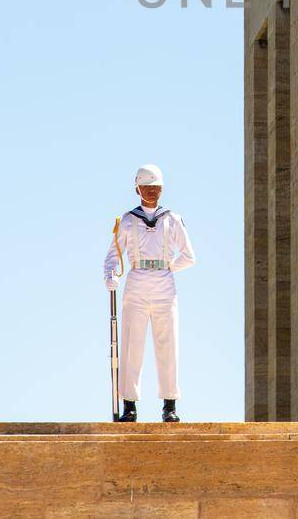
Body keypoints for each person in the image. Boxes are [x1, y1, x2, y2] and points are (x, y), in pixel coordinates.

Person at [104, 164, 196, 422]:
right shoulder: (127, 221)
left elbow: (189, 256)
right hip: (136, 281)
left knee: (168, 345)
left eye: (156, 187)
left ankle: (170, 405)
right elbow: (113, 256)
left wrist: (167, 269)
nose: (152, 191)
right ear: (137, 189)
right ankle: (129, 406)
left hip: (164, 284)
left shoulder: (172, 219)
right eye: (146, 187)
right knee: (132, 343)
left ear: (162, 189)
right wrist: (111, 276)